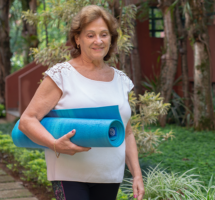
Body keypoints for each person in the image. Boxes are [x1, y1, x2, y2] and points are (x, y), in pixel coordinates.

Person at [18, 5, 145, 200]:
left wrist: (137, 174)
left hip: (109, 176)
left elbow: (126, 133)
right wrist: (54, 144)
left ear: (111, 39)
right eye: (90, 35)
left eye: (104, 34)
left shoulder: (121, 81)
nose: (98, 41)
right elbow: (28, 120)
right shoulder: (61, 75)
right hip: (68, 174)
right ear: (77, 39)